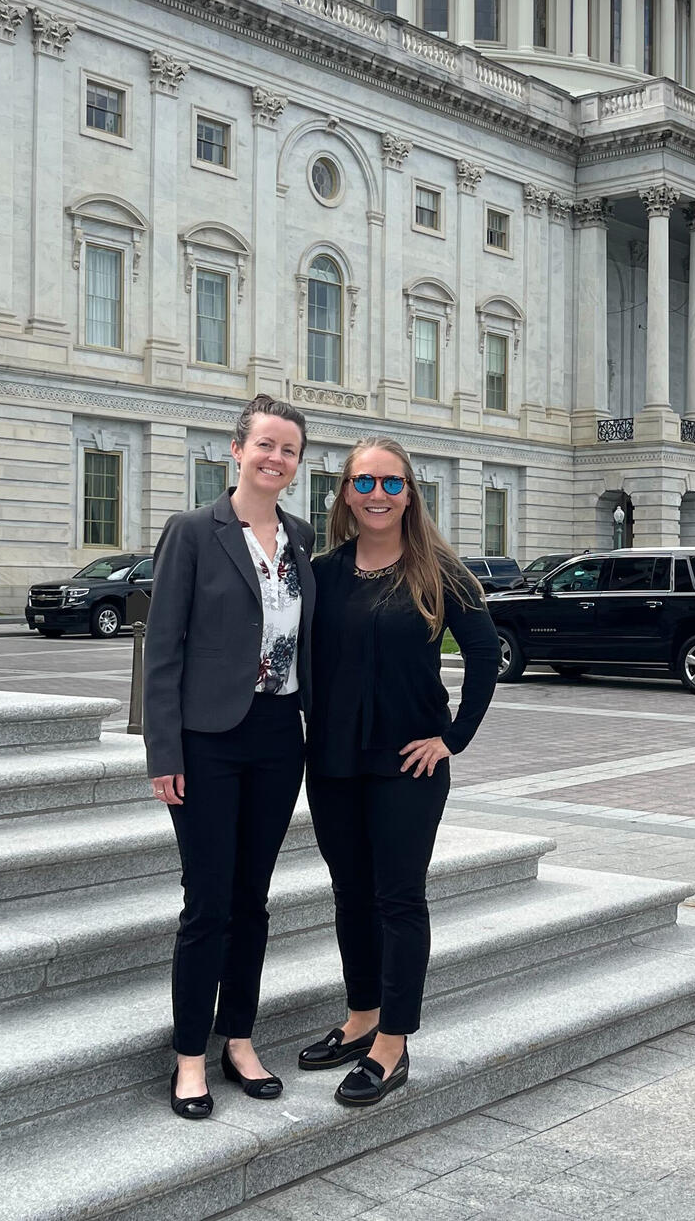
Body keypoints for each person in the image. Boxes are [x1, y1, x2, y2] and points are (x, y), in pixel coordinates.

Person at [298, 436, 498, 1107]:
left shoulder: (440, 570)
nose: (376, 494)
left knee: (398, 899)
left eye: (390, 482)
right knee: (350, 893)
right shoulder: (323, 572)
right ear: (345, 493)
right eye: (364, 482)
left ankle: (393, 1040)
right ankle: (360, 1017)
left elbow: (484, 656)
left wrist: (452, 737)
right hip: (330, 762)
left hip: (405, 767)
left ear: (410, 492)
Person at [142, 393, 315, 1120]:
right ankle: (189, 1056)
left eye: (289, 450)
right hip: (208, 741)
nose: (276, 458)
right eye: (265, 444)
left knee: (253, 899)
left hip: (279, 737)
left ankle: (238, 1037)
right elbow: (163, 648)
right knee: (208, 900)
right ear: (236, 450)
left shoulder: (302, 537)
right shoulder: (193, 531)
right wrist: (163, 751)